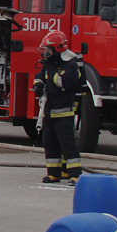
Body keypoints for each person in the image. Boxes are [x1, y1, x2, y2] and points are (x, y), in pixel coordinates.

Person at [33, 30, 84, 186]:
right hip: (48, 114)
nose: (45, 54)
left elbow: (62, 82)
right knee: (50, 145)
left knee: (67, 145)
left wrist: (50, 71)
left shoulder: (70, 65)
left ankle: (75, 174)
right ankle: (54, 174)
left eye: (48, 51)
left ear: (58, 50)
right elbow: (39, 77)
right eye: (44, 51)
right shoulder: (50, 65)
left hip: (63, 113)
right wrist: (38, 86)